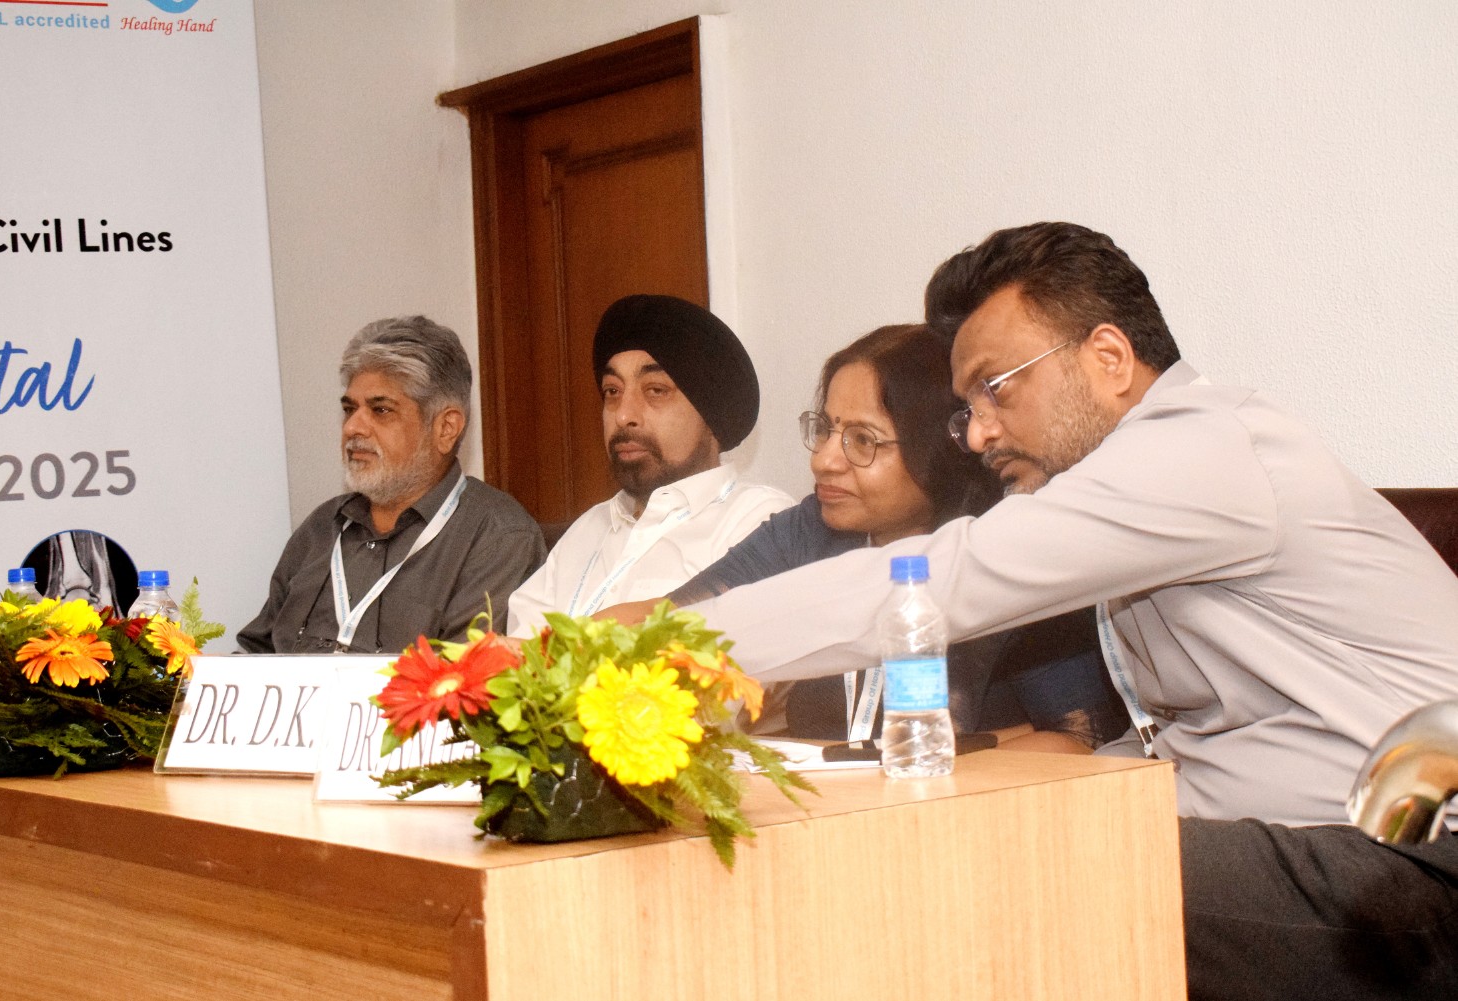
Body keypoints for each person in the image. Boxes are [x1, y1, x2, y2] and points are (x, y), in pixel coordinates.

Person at [692, 222, 1458, 999]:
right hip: (1331, 843)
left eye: (996, 387)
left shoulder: (1205, 448)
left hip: (1423, 863)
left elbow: (951, 575)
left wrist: (680, 641)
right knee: (946, 846)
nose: (979, 432)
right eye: (966, 407)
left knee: (994, 871)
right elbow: (1192, 748)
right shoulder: (1147, 491)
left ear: (1110, 358)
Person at [611, 323, 1126, 751]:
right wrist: (571, 652)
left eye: (862, 440)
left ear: (940, 450)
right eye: (825, 430)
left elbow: (1079, 738)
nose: (823, 460)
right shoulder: (812, 529)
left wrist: (910, 773)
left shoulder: (1008, 548)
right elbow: (665, 620)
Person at [239, 315, 545, 654]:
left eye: (381, 410)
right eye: (349, 409)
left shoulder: (497, 538)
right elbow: (254, 655)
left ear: (446, 428)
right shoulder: (322, 527)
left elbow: (466, 677)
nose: (353, 427)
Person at [506, 294, 793, 635]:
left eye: (655, 390)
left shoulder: (759, 520)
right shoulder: (589, 528)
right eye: (612, 391)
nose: (623, 415)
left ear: (711, 416)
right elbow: (517, 652)